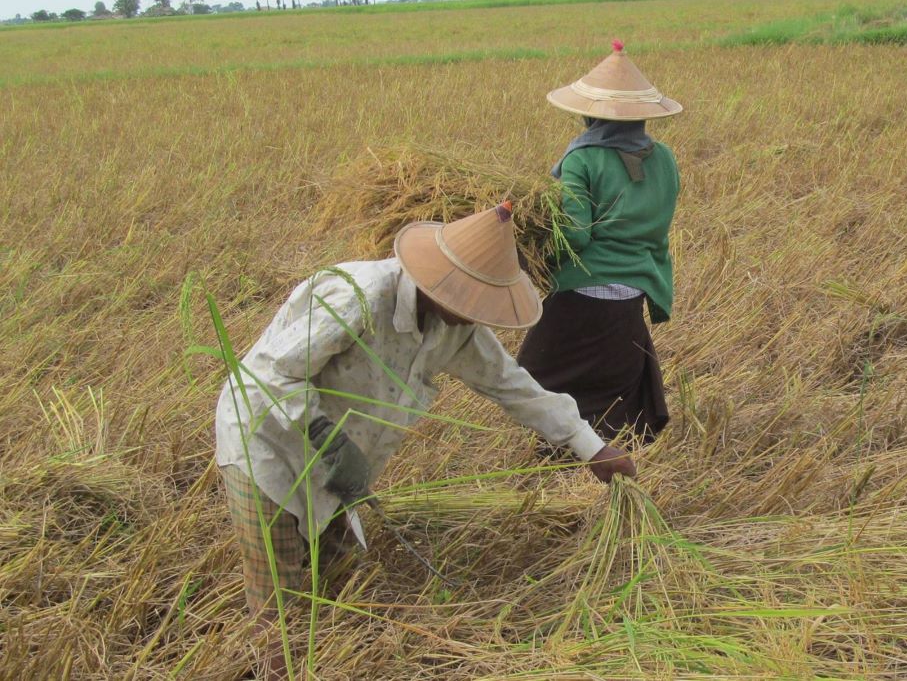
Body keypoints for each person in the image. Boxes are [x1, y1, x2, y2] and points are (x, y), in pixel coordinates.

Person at [214, 203, 635, 677]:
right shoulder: (360, 294)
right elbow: (274, 374)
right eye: (469, 300)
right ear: (442, 282)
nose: (475, 313)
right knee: (281, 603)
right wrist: (327, 441)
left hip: (340, 463)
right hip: (267, 443)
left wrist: (590, 445)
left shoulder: (456, 328)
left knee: (333, 584)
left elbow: (510, 384)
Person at [517, 40, 681, 445]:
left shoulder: (582, 159)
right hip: (632, 294)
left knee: (535, 383)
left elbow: (574, 233)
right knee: (612, 394)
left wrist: (531, 253)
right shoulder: (665, 159)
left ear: (590, 116)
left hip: (580, 295)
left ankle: (566, 468)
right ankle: (599, 470)